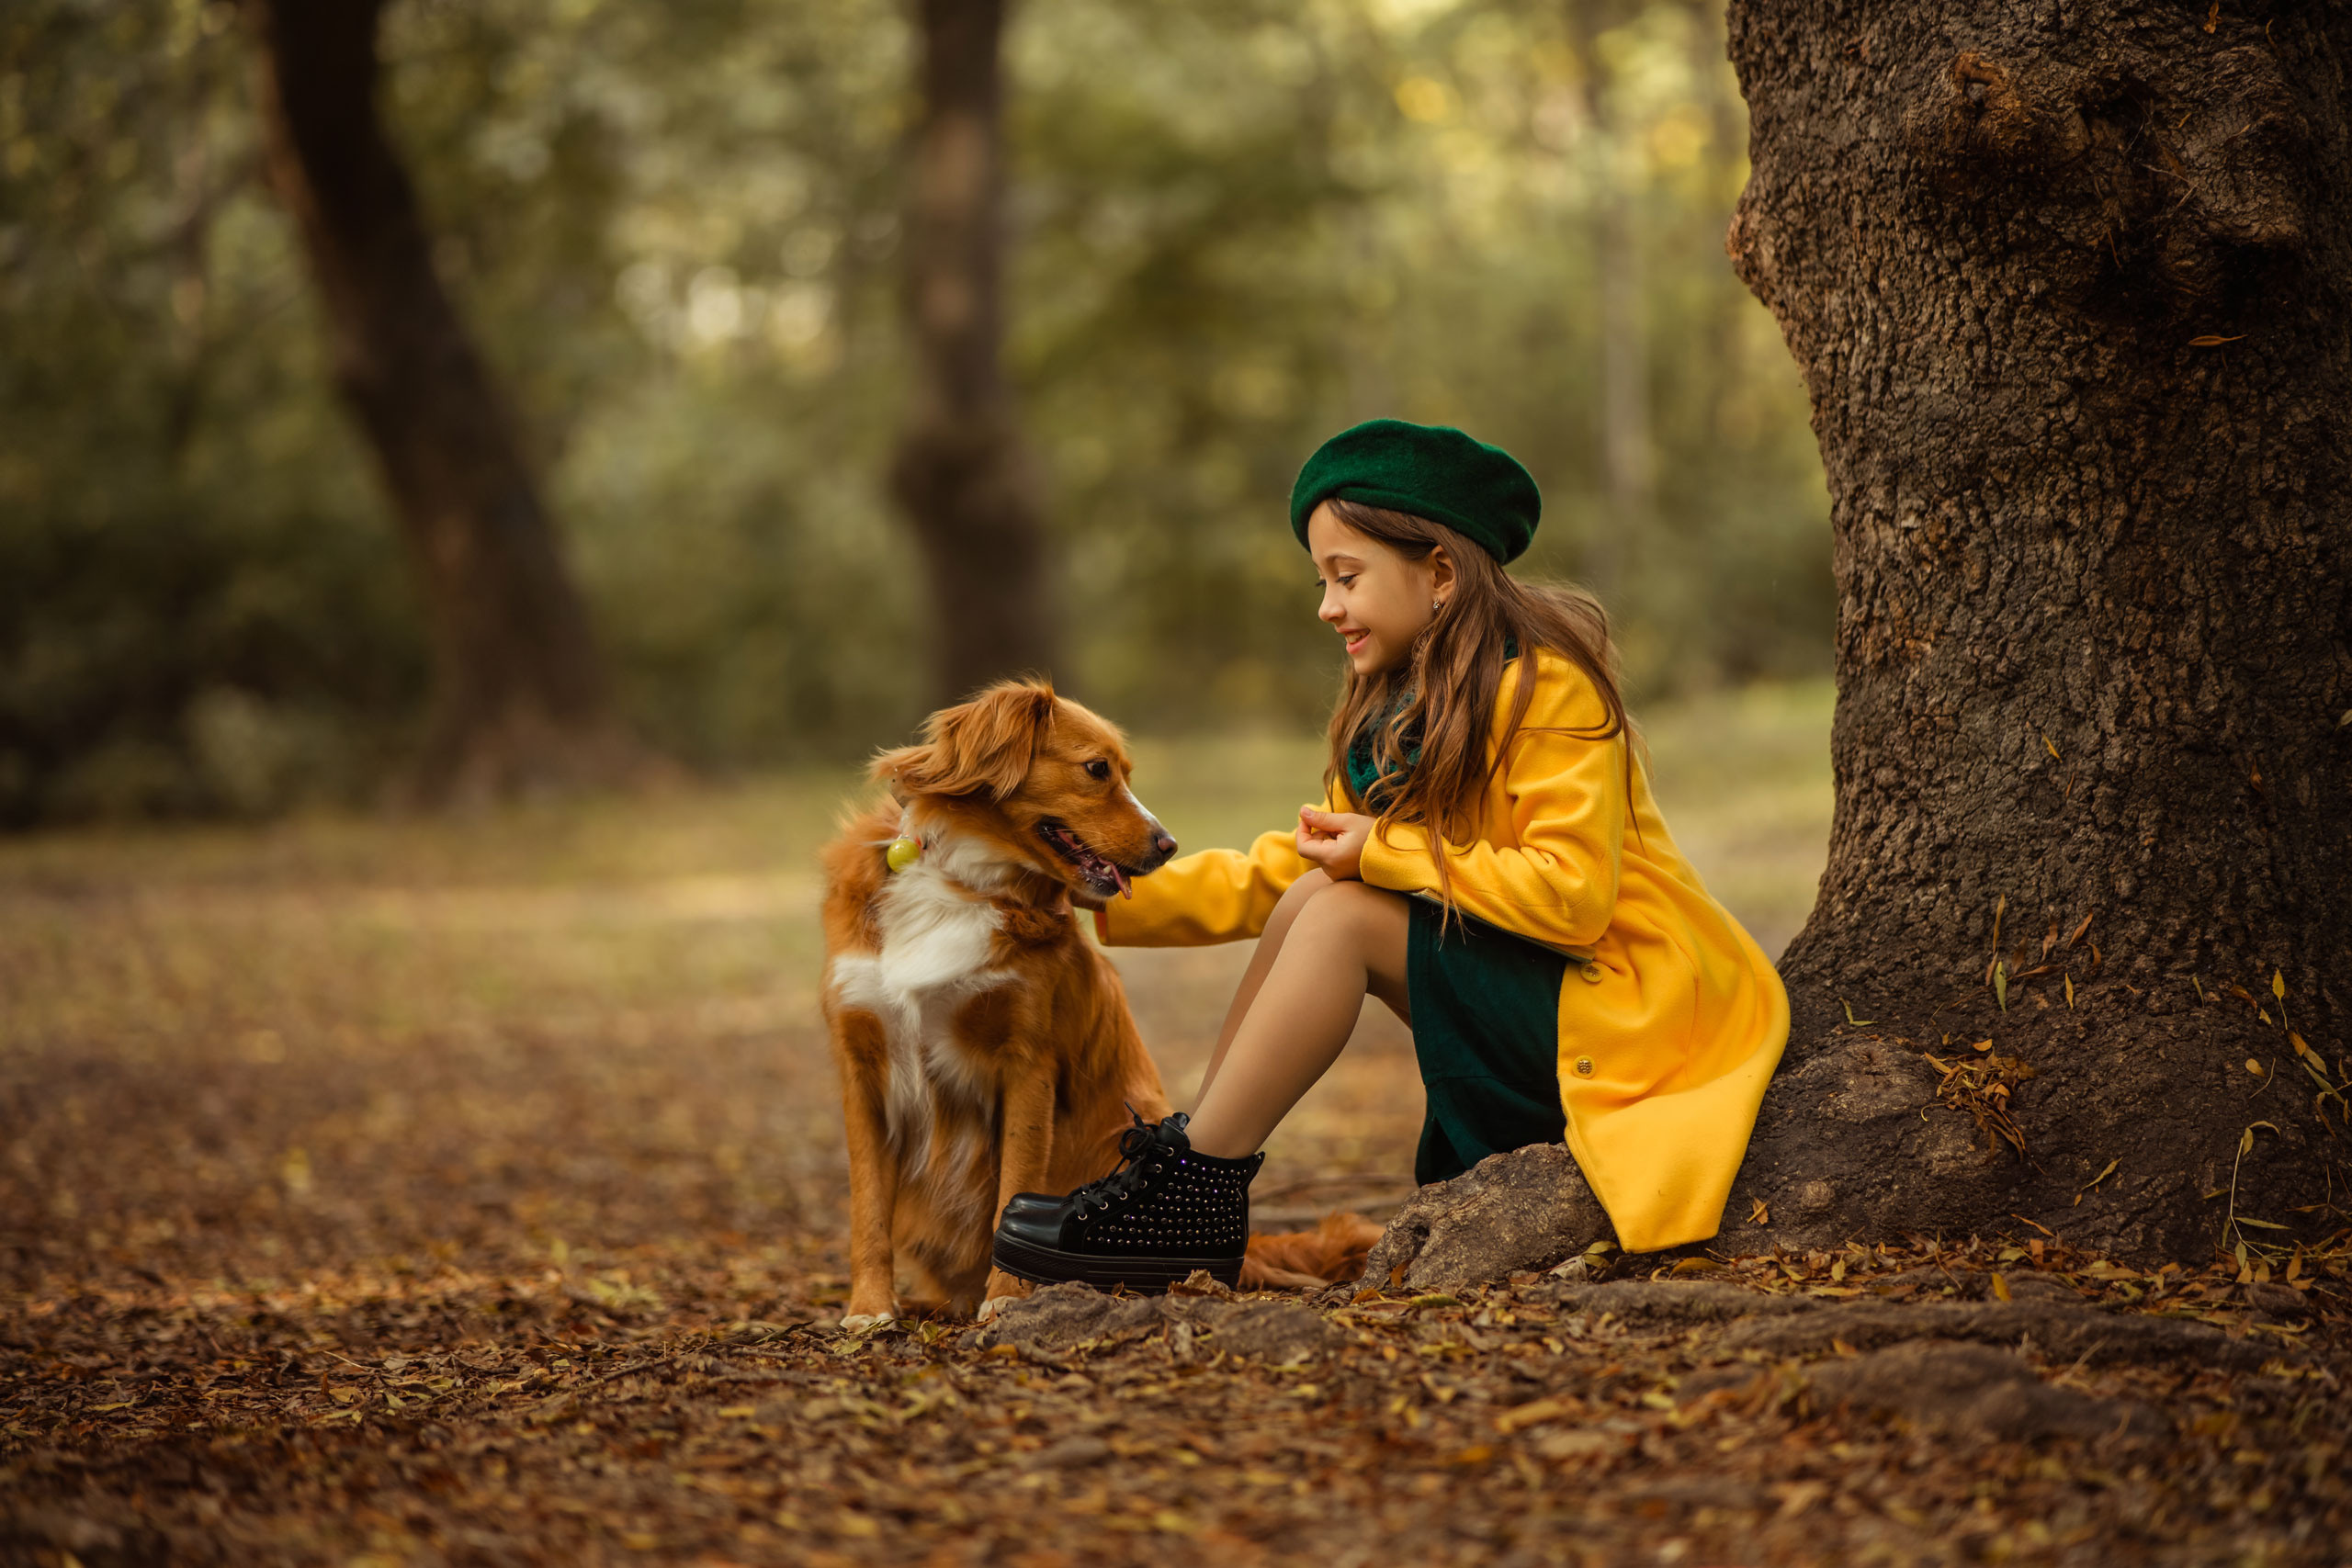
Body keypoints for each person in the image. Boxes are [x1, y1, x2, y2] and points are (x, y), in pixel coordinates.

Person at [989, 418, 1790, 1293]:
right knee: (1316, 898)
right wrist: (1106, 892)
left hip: (1629, 1016)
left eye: (1347, 576)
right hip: (1535, 1003)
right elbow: (1300, 864)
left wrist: (1387, 850)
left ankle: (1190, 1198)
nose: (1327, 606)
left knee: (1340, 915)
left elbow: (1573, 898)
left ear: (1440, 574)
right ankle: (1182, 1178)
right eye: (1322, 581)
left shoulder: (1546, 690)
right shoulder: (1396, 714)